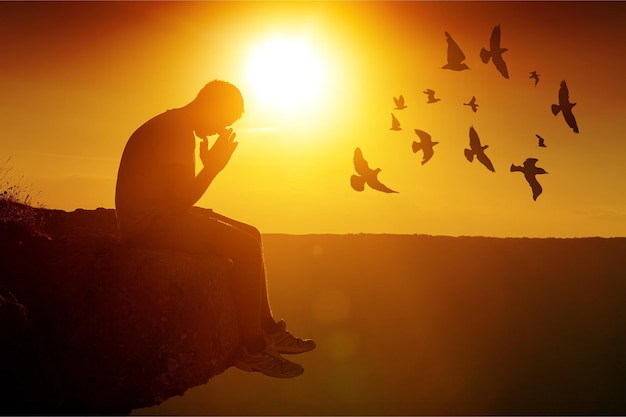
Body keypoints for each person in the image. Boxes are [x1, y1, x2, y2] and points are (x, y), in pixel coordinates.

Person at [115, 79, 315, 378]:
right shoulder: (176, 132)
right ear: (211, 106)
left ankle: (269, 328)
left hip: (154, 216)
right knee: (245, 247)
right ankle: (254, 349)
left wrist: (208, 168)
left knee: (252, 233)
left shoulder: (175, 125)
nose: (223, 129)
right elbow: (180, 201)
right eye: (225, 120)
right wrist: (212, 168)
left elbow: (175, 199)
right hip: (150, 225)